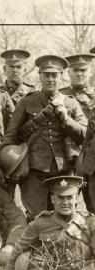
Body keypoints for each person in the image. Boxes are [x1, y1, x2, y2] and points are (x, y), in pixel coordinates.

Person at [2, 55, 87, 219]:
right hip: (34, 170)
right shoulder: (26, 102)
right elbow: (11, 136)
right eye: (46, 75)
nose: (50, 79)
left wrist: (66, 119)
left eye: (54, 75)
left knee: (66, 215)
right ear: (39, 76)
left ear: (61, 76)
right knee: (37, 217)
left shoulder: (70, 103)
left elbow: (85, 135)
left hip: (64, 169)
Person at [6, 175, 95, 270]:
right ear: (52, 198)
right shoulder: (39, 224)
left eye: (69, 197)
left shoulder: (90, 221)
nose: (65, 202)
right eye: (60, 197)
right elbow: (17, 251)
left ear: (77, 198)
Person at [61, 53, 95, 211]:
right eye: (75, 70)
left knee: (92, 205)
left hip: (91, 159)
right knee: (64, 203)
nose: (80, 74)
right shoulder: (60, 95)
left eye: (83, 70)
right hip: (65, 157)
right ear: (69, 72)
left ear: (90, 71)